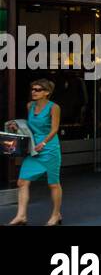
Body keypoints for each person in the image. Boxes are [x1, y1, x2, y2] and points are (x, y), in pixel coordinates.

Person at [7, 78, 63, 226]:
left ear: (47, 93)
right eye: (33, 89)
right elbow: (30, 127)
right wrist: (16, 127)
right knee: (22, 181)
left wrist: (43, 143)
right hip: (34, 148)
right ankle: (21, 216)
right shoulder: (30, 106)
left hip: (50, 148)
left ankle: (56, 215)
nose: (34, 92)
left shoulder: (54, 107)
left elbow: (54, 129)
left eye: (38, 90)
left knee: (53, 184)